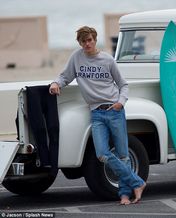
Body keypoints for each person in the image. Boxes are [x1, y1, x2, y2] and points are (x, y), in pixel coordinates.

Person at [49, 26, 146, 205]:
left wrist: (120, 103)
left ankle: (124, 195)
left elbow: (124, 85)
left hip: (114, 111)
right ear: (80, 43)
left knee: (123, 155)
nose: (87, 44)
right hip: (96, 114)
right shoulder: (76, 58)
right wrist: (56, 83)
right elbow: (65, 76)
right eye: (83, 41)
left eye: (90, 40)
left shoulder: (107, 60)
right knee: (102, 154)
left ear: (95, 40)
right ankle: (137, 182)